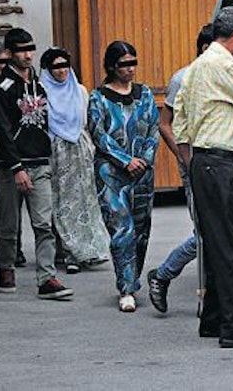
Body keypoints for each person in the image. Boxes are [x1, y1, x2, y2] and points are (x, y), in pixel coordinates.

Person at [172, 6, 233, 348]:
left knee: (216, 244)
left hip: (204, 161)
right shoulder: (222, 65)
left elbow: (180, 117)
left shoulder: (197, 66)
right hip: (221, 161)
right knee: (232, 247)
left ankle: (214, 319)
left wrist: (190, 160)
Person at [0, 28, 74, 300]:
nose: (28, 55)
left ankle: (47, 278)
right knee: (9, 224)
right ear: (10, 52)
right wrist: (16, 167)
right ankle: (6, 268)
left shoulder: (38, 83)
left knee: (43, 223)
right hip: (11, 166)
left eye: (31, 48)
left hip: (39, 162)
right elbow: (2, 129)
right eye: (22, 50)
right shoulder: (2, 87)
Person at [147, 24, 214, 314]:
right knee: (205, 232)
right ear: (205, 48)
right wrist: (185, 157)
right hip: (194, 162)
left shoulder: (225, 75)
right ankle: (164, 274)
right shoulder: (183, 78)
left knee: (213, 233)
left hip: (219, 162)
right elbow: (165, 124)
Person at [89, 40, 159, 313]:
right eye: (124, 64)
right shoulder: (98, 98)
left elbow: (153, 129)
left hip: (142, 172)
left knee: (141, 231)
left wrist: (144, 160)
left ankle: (133, 278)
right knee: (122, 229)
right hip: (111, 173)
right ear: (111, 66)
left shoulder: (146, 94)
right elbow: (98, 134)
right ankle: (126, 288)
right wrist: (125, 160)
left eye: (133, 63)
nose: (130, 69)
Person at [39, 47, 111, 273]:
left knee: (85, 201)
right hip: (55, 152)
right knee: (60, 202)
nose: (62, 71)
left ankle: (87, 251)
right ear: (47, 70)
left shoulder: (80, 91)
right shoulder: (41, 91)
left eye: (65, 66)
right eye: (56, 67)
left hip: (80, 151)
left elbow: (86, 122)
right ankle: (68, 252)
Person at [0, 42, 26, 267]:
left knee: (14, 204)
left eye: (5, 61)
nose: (2, 66)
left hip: (13, 150)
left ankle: (14, 248)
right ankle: (5, 250)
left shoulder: (14, 86)